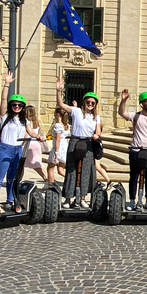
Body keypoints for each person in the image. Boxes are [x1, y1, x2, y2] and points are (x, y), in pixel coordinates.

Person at [0, 72, 44, 212]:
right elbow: (3, 99)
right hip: (4, 148)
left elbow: (31, 132)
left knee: (12, 178)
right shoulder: (5, 116)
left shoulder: (24, 120)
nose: (16, 107)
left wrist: (38, 136)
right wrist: (6, 84)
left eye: (19, 105)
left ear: (23, 107)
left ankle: (10, 200)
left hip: (17, 149)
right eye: (14, 105)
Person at [56, 78, 101, 209]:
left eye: (93, 103)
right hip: (75, 141)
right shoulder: (76, 111)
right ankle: (68, 198)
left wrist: (97, 135)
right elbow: (61, 105)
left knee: (86, 171)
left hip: (88, 143)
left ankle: (82, 198)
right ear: (84, 102)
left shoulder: (95, 116)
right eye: (88, 102)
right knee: (71, 170)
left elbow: (98, 130)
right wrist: (59, 90)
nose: (90, 104)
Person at [118, 89, 147, 210]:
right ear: (142, 103)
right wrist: (123, 101)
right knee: (134, 176)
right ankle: (132, 200)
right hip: (135, 150)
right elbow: (122, 113)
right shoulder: (136, 116)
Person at [23, 105, 48, 182]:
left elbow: (26, 134)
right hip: (36, 144)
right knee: (37, 165)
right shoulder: (36, 121)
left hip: (28, 144)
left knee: (21, 164)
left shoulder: (27, 122)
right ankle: (45, 178)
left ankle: (18, 181)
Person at [47, 107, 70, 184]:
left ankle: (50, 186)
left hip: (58, 148)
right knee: (60, 170)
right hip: (64, 147)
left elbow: (58, 139)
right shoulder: (66, 125)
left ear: (57, 115)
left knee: (50, 169)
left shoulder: (58, 125)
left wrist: (56, 153)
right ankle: (72, 180)